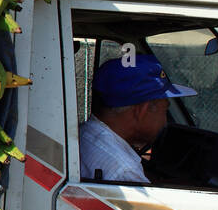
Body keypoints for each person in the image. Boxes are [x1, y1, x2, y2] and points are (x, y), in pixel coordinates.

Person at [80, 53, 197, 184]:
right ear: (143, 110)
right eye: (165, 110)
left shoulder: (83, 134)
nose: (165, 122)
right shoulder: (124, 173)